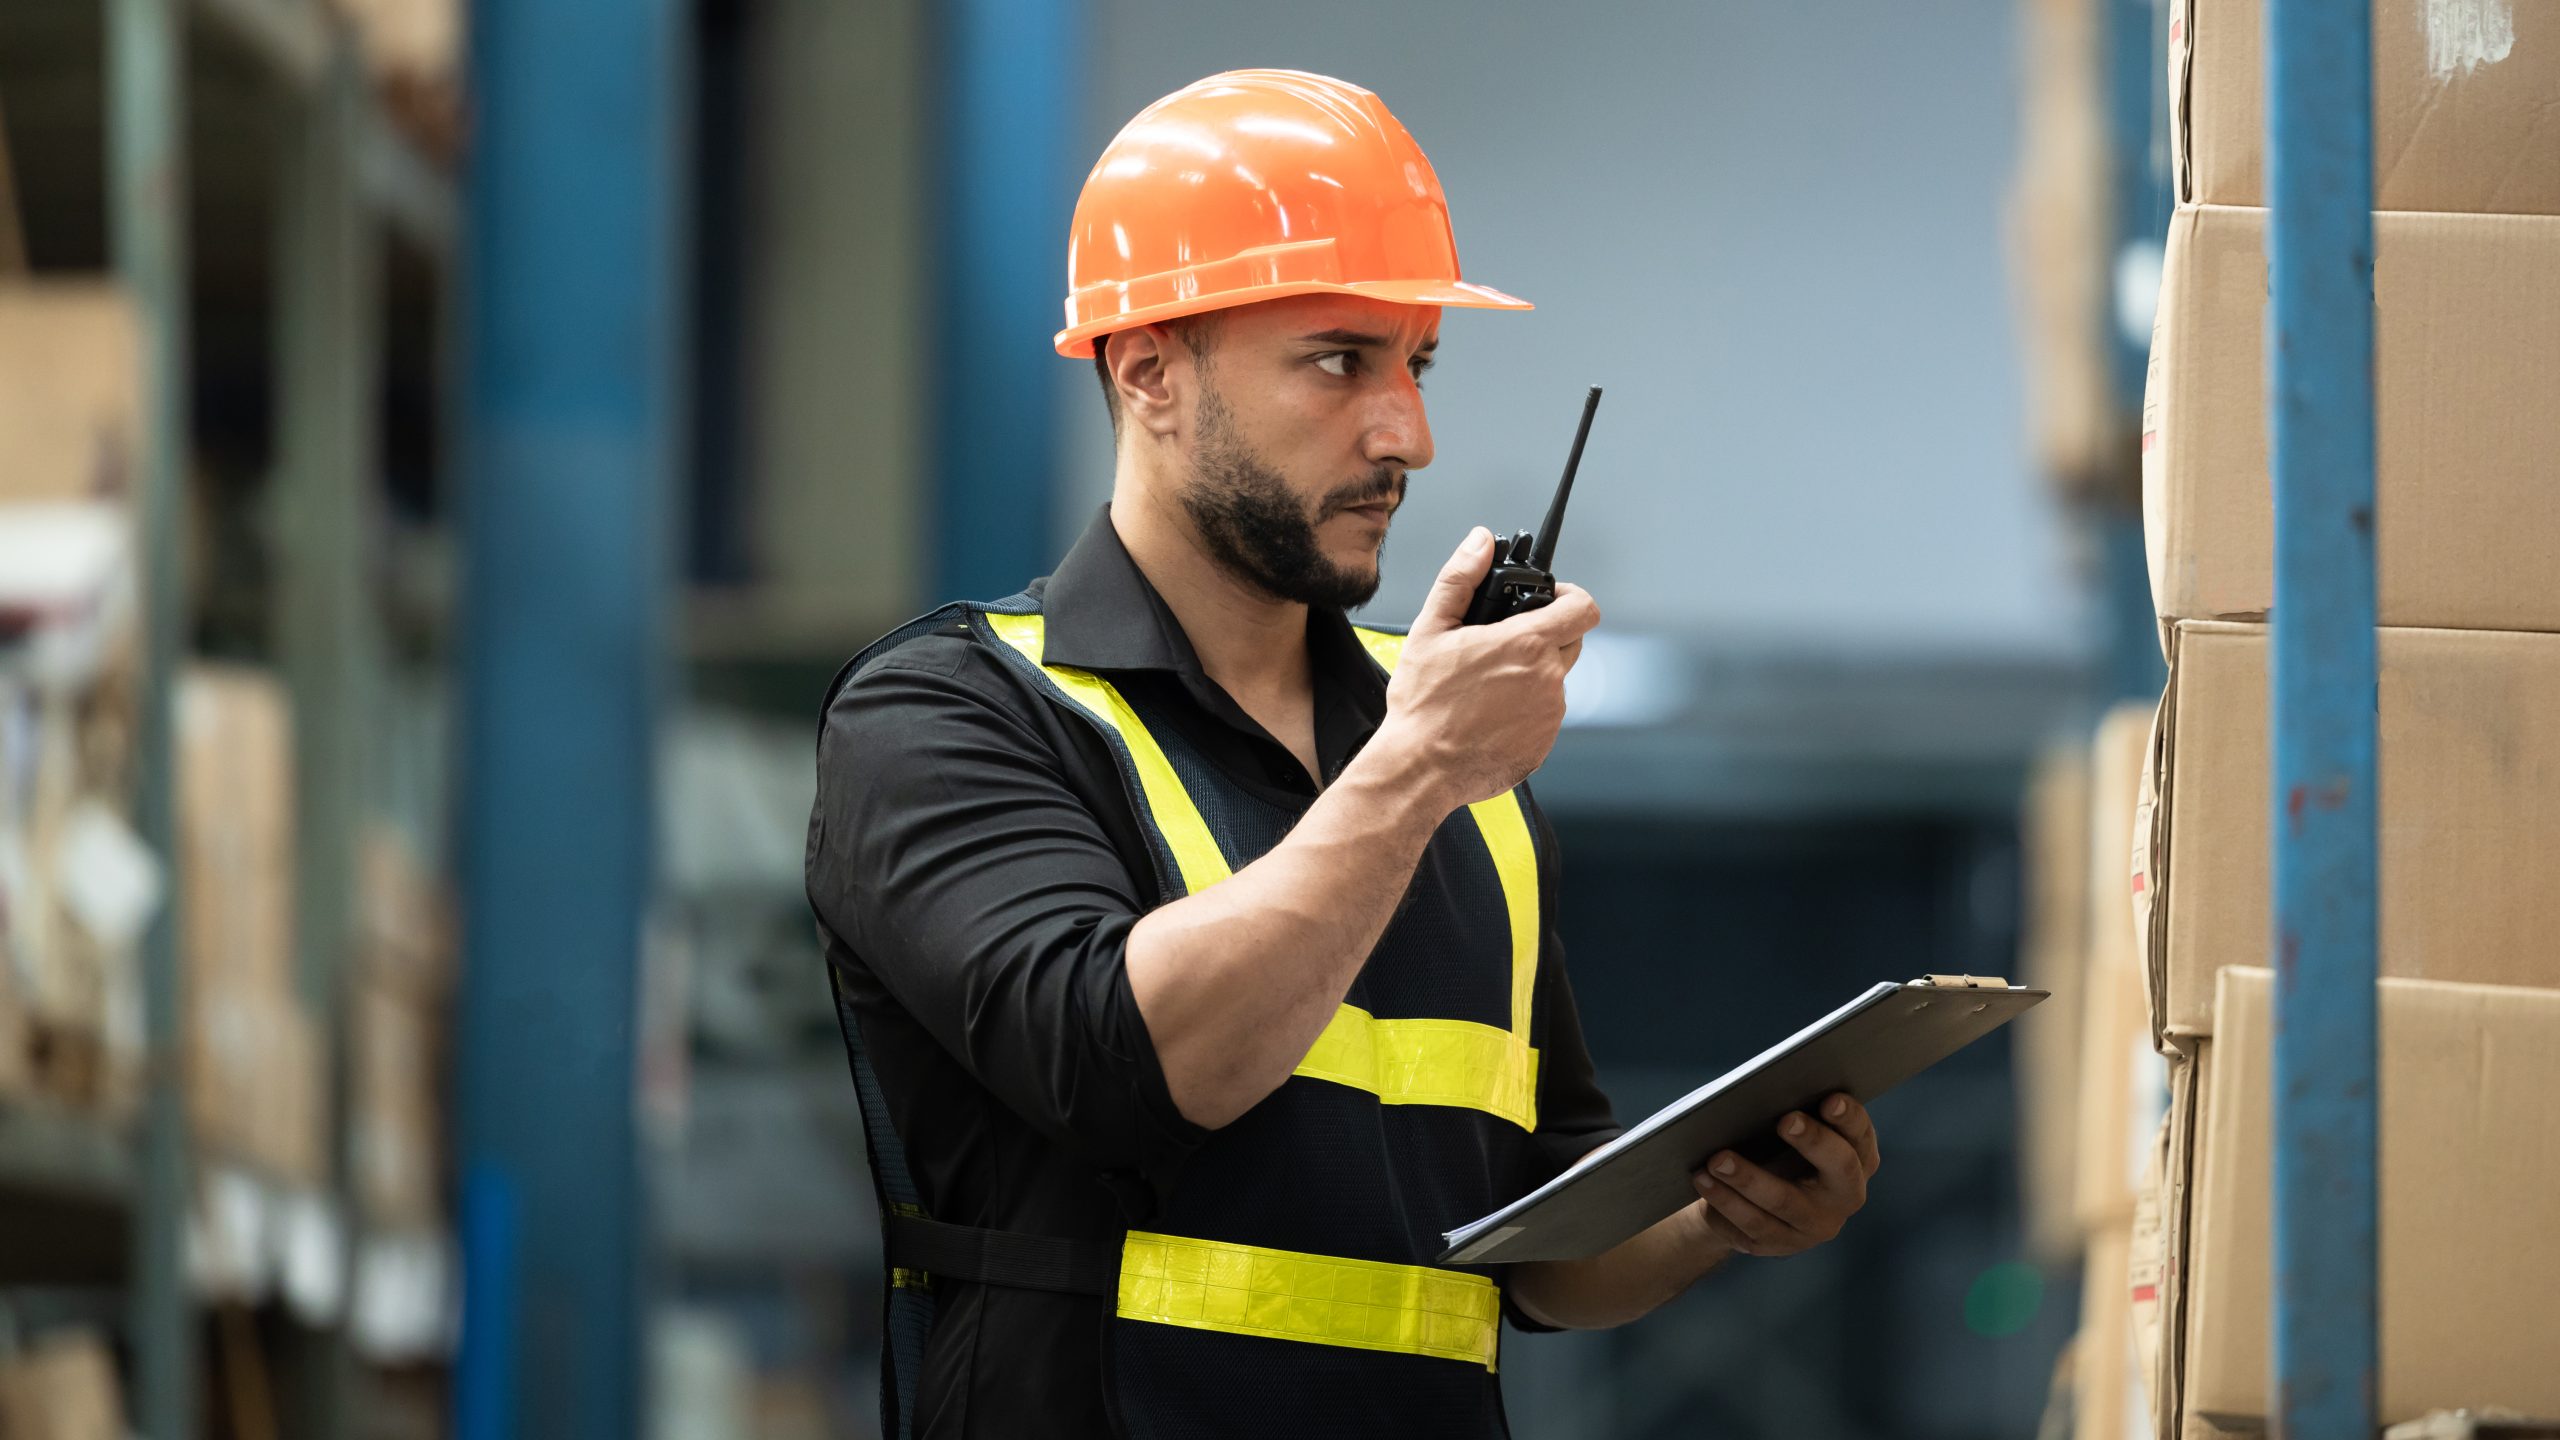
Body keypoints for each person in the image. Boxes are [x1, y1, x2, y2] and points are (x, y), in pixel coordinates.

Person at [805, 68, 1884, 1440]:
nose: (1407, 437)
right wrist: (1420, 765)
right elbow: (1129, 1065)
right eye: (1340, 361)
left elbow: (1535, 1241)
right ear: (1149, 373)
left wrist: (1722, 1214)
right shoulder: (953, 715)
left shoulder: (1445, 746)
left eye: (1418, 364)